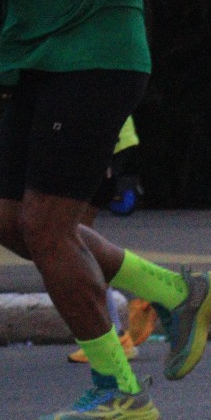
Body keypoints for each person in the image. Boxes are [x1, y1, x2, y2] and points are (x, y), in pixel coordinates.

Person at [0, 0, 211, 420]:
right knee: (9, 220)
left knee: (46, 229)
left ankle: (118, 386)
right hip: (38, 56)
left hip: (91, 52)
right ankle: (172, 292)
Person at [66, 115, 158, 365]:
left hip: (102, 140)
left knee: (73, 240)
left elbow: (99, 89)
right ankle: (140, 298)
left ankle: (115, 333)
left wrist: (102, 148)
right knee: (74, 237)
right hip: (100, 140)